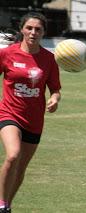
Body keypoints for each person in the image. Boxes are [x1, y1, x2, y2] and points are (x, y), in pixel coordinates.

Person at [0, 12, 61, 213]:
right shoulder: (8, 53)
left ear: (43, 32)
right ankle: (0, 204)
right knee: (12, 156)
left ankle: (7, 205)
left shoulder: (49, 59)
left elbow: (55, 89)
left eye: (38, 29)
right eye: (29, 28)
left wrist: (55, 99)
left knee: (20, 168)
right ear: (22, 30)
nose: (33, 32)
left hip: (34, 120)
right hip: (9, 114)